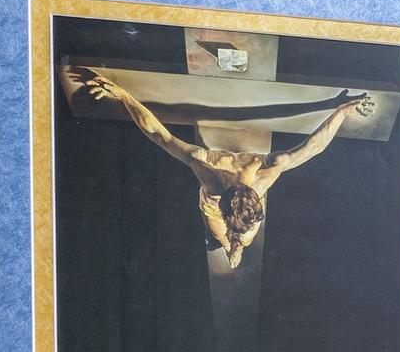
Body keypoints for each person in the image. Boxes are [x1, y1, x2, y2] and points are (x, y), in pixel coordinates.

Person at [65, 66, 375, 269]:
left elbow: (315, 146)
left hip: (235, 206)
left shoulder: (265, 175)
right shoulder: (208, 170)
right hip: (214, 208)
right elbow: (159, 135)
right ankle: (230, 247)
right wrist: (123, 96)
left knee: (247, 238)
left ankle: (238, 246)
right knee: (223, 237)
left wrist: (342, 111)